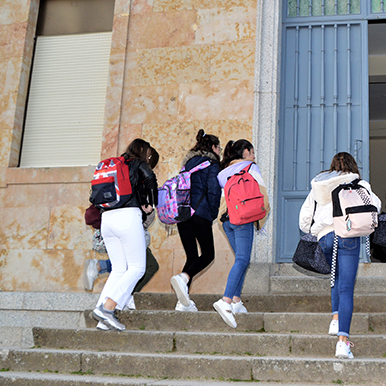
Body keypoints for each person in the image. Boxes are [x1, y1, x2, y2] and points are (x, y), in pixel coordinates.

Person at [299, 153, 381, 359]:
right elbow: (376, 206)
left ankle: (335, 318)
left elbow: (304, 219)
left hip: (325, 237)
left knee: (334, 277)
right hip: (347, 236)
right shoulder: (359, 184)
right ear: (353, 166)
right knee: (345, 287)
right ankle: (342, 343)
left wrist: (315, 230)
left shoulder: (319, 185)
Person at [91, 139, 158, 331]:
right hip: (127, 217)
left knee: (119, 269)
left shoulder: (115, 165)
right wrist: (151, 203)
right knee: (137, 268)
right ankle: (108, 308)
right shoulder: (138, 163)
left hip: (107, 220)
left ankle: (101, 316)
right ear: (144, 151)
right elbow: (151, 180)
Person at [212, 139, 269, 328]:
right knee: (243, 260)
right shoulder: (251, 168)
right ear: (245, 152)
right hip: (242, 219)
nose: (254, 156)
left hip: (227, 221)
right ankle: (226, 300)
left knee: (240, 260)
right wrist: (260, 221)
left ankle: (236, 301)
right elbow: (262, 197)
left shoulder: (224, 172)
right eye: (252, 152)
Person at [169, 130, 223, 312]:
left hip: (183, 215)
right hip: (200, 214)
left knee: (192, 257)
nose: (220, 151)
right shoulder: (212, 164)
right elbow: (214, 190)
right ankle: (183, 277)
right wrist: (212, 213)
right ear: (213, 147)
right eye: (219, 148)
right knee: (208, 255)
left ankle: (182, 303)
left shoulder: (187, 164)